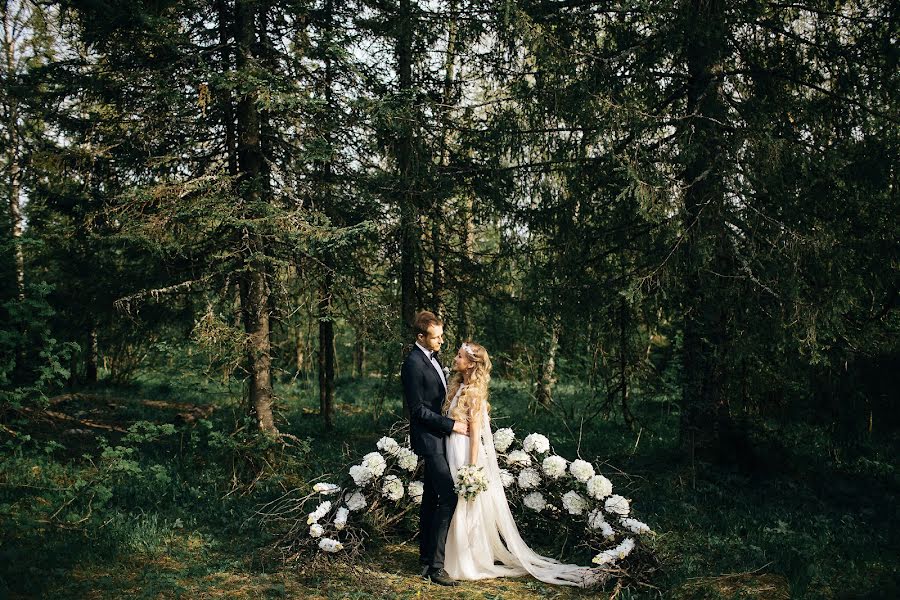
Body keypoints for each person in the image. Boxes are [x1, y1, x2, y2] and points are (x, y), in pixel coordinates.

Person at [442, 341, 599, 587]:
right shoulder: (459, 387)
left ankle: (467, 558)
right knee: (455, 503)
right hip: (451, 450)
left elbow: (475, 439)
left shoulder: (474, 394)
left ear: (472, 364)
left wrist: (471, 470)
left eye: (460, 356)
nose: (455, 358)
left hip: (463, 454)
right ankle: (453, 555)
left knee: (466, 503)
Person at [400, 311, 469, 586]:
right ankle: (437, 568)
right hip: (430, 440)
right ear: (421, 337)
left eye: (441, 335)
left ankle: (426, 557)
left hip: (440, 438)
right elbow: (417, 411)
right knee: (448, 497)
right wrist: (451, 425)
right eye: (436, 336)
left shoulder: (433, 357)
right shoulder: (413, 365)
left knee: (430, 497)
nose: (441, 340)